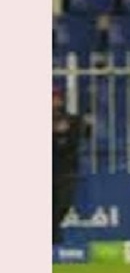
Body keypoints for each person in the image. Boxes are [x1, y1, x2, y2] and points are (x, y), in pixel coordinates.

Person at [52, 87, 82, 245]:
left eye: (55, 98)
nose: (53, 102)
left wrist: (61, 134)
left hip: (65, 172)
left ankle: (53, 237)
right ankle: (53, 241)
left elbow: (73, 144)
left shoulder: (72, 120)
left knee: (63, 206)